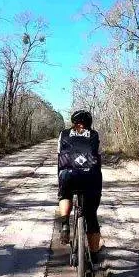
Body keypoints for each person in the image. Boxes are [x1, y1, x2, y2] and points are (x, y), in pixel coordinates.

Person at [57, 110, 103, 263]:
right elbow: (98, 156)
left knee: (65, 195)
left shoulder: (64, 134)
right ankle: (95, 255)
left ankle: (64, 225)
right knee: (91, 216)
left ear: (73, 122)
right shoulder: (94, 134)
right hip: (91, 177)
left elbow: (60, 154)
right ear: (89, 123)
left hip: (68, 175)